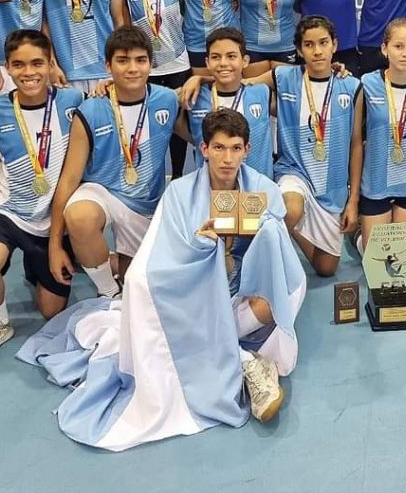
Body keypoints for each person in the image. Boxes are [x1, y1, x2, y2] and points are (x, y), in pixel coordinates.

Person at [17, 108, 306, 448]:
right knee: (156, 299)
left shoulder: (264, 189)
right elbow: (159, 259)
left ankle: (226, 350)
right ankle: (245, 361)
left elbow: (278, 258)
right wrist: (202, 242)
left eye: (235, 148)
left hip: (242, 289)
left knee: (275, 300)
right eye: (219, 148)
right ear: (204, 149)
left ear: (247, 150)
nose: (227, 158)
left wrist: (259, 228)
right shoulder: (180, 193)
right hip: (196, 292)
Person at [0, 31, 85, 366]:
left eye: (37, 63)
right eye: (18, 64)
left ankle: (40, 261)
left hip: (53, 220)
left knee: (51, 311)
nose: (28, 71)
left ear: (50, 64)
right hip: (8, 211)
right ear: (8, 68)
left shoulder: (74, 102)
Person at [49, 27, 178, 295]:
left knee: (144, 288)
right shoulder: (91, 109)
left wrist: (196, 81)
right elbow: (70, 178)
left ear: (150, 64)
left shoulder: (167, 100)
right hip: (103, 192)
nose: (132, 68)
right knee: (81, 217)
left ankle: (114, 260)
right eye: (123, 60)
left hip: (144, 205)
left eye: (140, 60)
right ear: (108, 65)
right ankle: (109, 291)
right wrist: (55, 244)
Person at [274, 16, 360, 276]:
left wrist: (353, 201)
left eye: (323, 43)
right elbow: (239, 82)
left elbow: (356, 144)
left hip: (331, 187)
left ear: (334, 45)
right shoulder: (284, 77)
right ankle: (272, 268)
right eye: (309, 45)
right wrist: (199, 79)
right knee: (291, 210)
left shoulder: (352, 86)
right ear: (299, 50)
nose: (317, 50)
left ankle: (297, 231)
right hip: (294, 172)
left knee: (326, 269)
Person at [350, 18, 406, 252]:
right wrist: (354, 195)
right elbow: (356, 138)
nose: (405, 53)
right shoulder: (366, 83)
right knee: (377, 261)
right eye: (398, 46)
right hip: (375, 183)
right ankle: (359, 238)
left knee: (403, 259)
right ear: (384, 48)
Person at [122, 0, 191, 178]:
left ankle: (180, 176)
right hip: (147, 70)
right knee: (148, 124)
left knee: (179, 127)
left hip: (178, 65)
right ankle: (150, 175)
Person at [178, 28, 274, 178]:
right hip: (210, 191)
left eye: (231, 56)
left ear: (245, 61)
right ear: (207, 63)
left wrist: (202, 78)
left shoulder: (262, 93)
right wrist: (197, 79)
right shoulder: (194, 97)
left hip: (256, 192)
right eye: (216, 57)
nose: (223, 63)